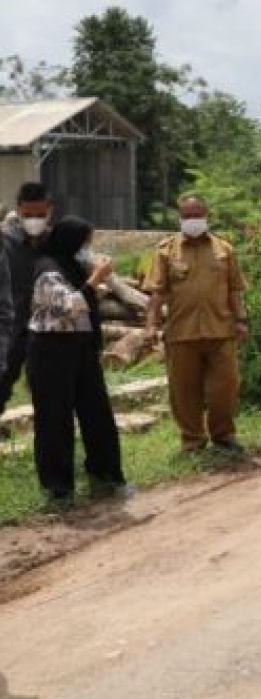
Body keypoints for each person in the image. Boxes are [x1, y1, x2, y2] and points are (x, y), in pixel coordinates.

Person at [26, 216, 127, 506]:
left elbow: (88, 301)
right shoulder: (47, 270)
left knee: (98, 414)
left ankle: (105, 474)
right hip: (51, 352)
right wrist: (95, 279)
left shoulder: (73, 266)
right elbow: (66, 308)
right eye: (85, 242)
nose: (88, 248)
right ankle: (59, 489)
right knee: (55, 421)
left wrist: (96, 277)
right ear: (71, 241)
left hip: (80, 349)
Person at [144, 195, 250, 454]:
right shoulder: (166, 251)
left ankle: (224, 436)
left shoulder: (224, 250)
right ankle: (192, 441)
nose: (193, 220)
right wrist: (151, 326)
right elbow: (156, 293)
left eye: (197, 215)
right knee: (184, 392)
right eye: (187, 216)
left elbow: (235, 289)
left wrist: (242, 320)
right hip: (182, 333)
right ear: (180, 218)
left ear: (206, 216)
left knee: (225, 388)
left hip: (220, 330)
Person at [0, 183, 52, 422]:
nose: (34, 220)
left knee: (48, 393)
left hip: (47, 332)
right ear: (18, 210)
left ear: (50, 209)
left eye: (40, 215)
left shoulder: (56, 242)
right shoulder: (4, 241)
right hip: (11, 330)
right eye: (28, 215)